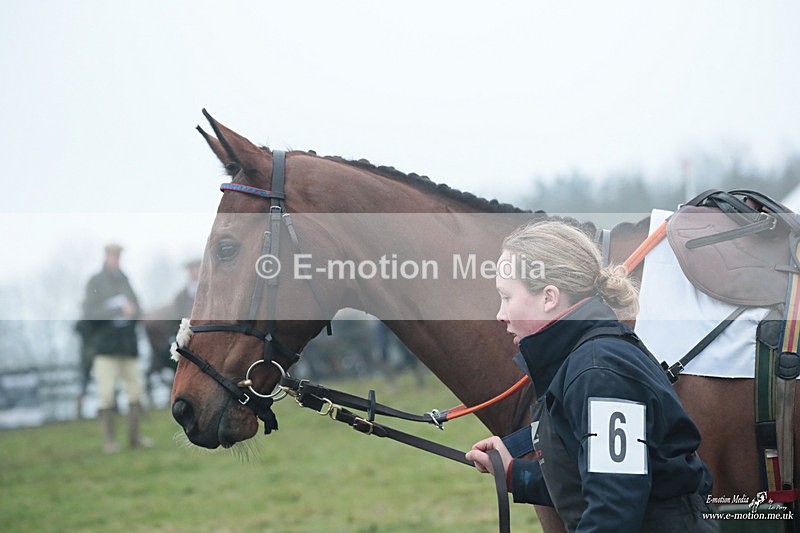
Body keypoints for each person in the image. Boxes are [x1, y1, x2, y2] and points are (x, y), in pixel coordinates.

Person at [466, 220, 719, 532]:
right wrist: (514, 475)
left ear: (549, 297)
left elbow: (614, 509)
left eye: (506, 297)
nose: (500, 315)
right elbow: (594, 479)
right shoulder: (582, 362)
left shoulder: (599, 373)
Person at [81, 243, 152, 453]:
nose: (116, 259)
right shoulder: (95, 281)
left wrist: (132, 310)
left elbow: (138, 308)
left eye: (119, 255)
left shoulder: (125, 280)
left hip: (128, 346)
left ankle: (135, 438)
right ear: (106, 256)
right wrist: (116, 309)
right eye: (113, 255)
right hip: (105, 348)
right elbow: (90, 313)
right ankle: (110, 441)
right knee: (106, 395)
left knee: (135, 392)